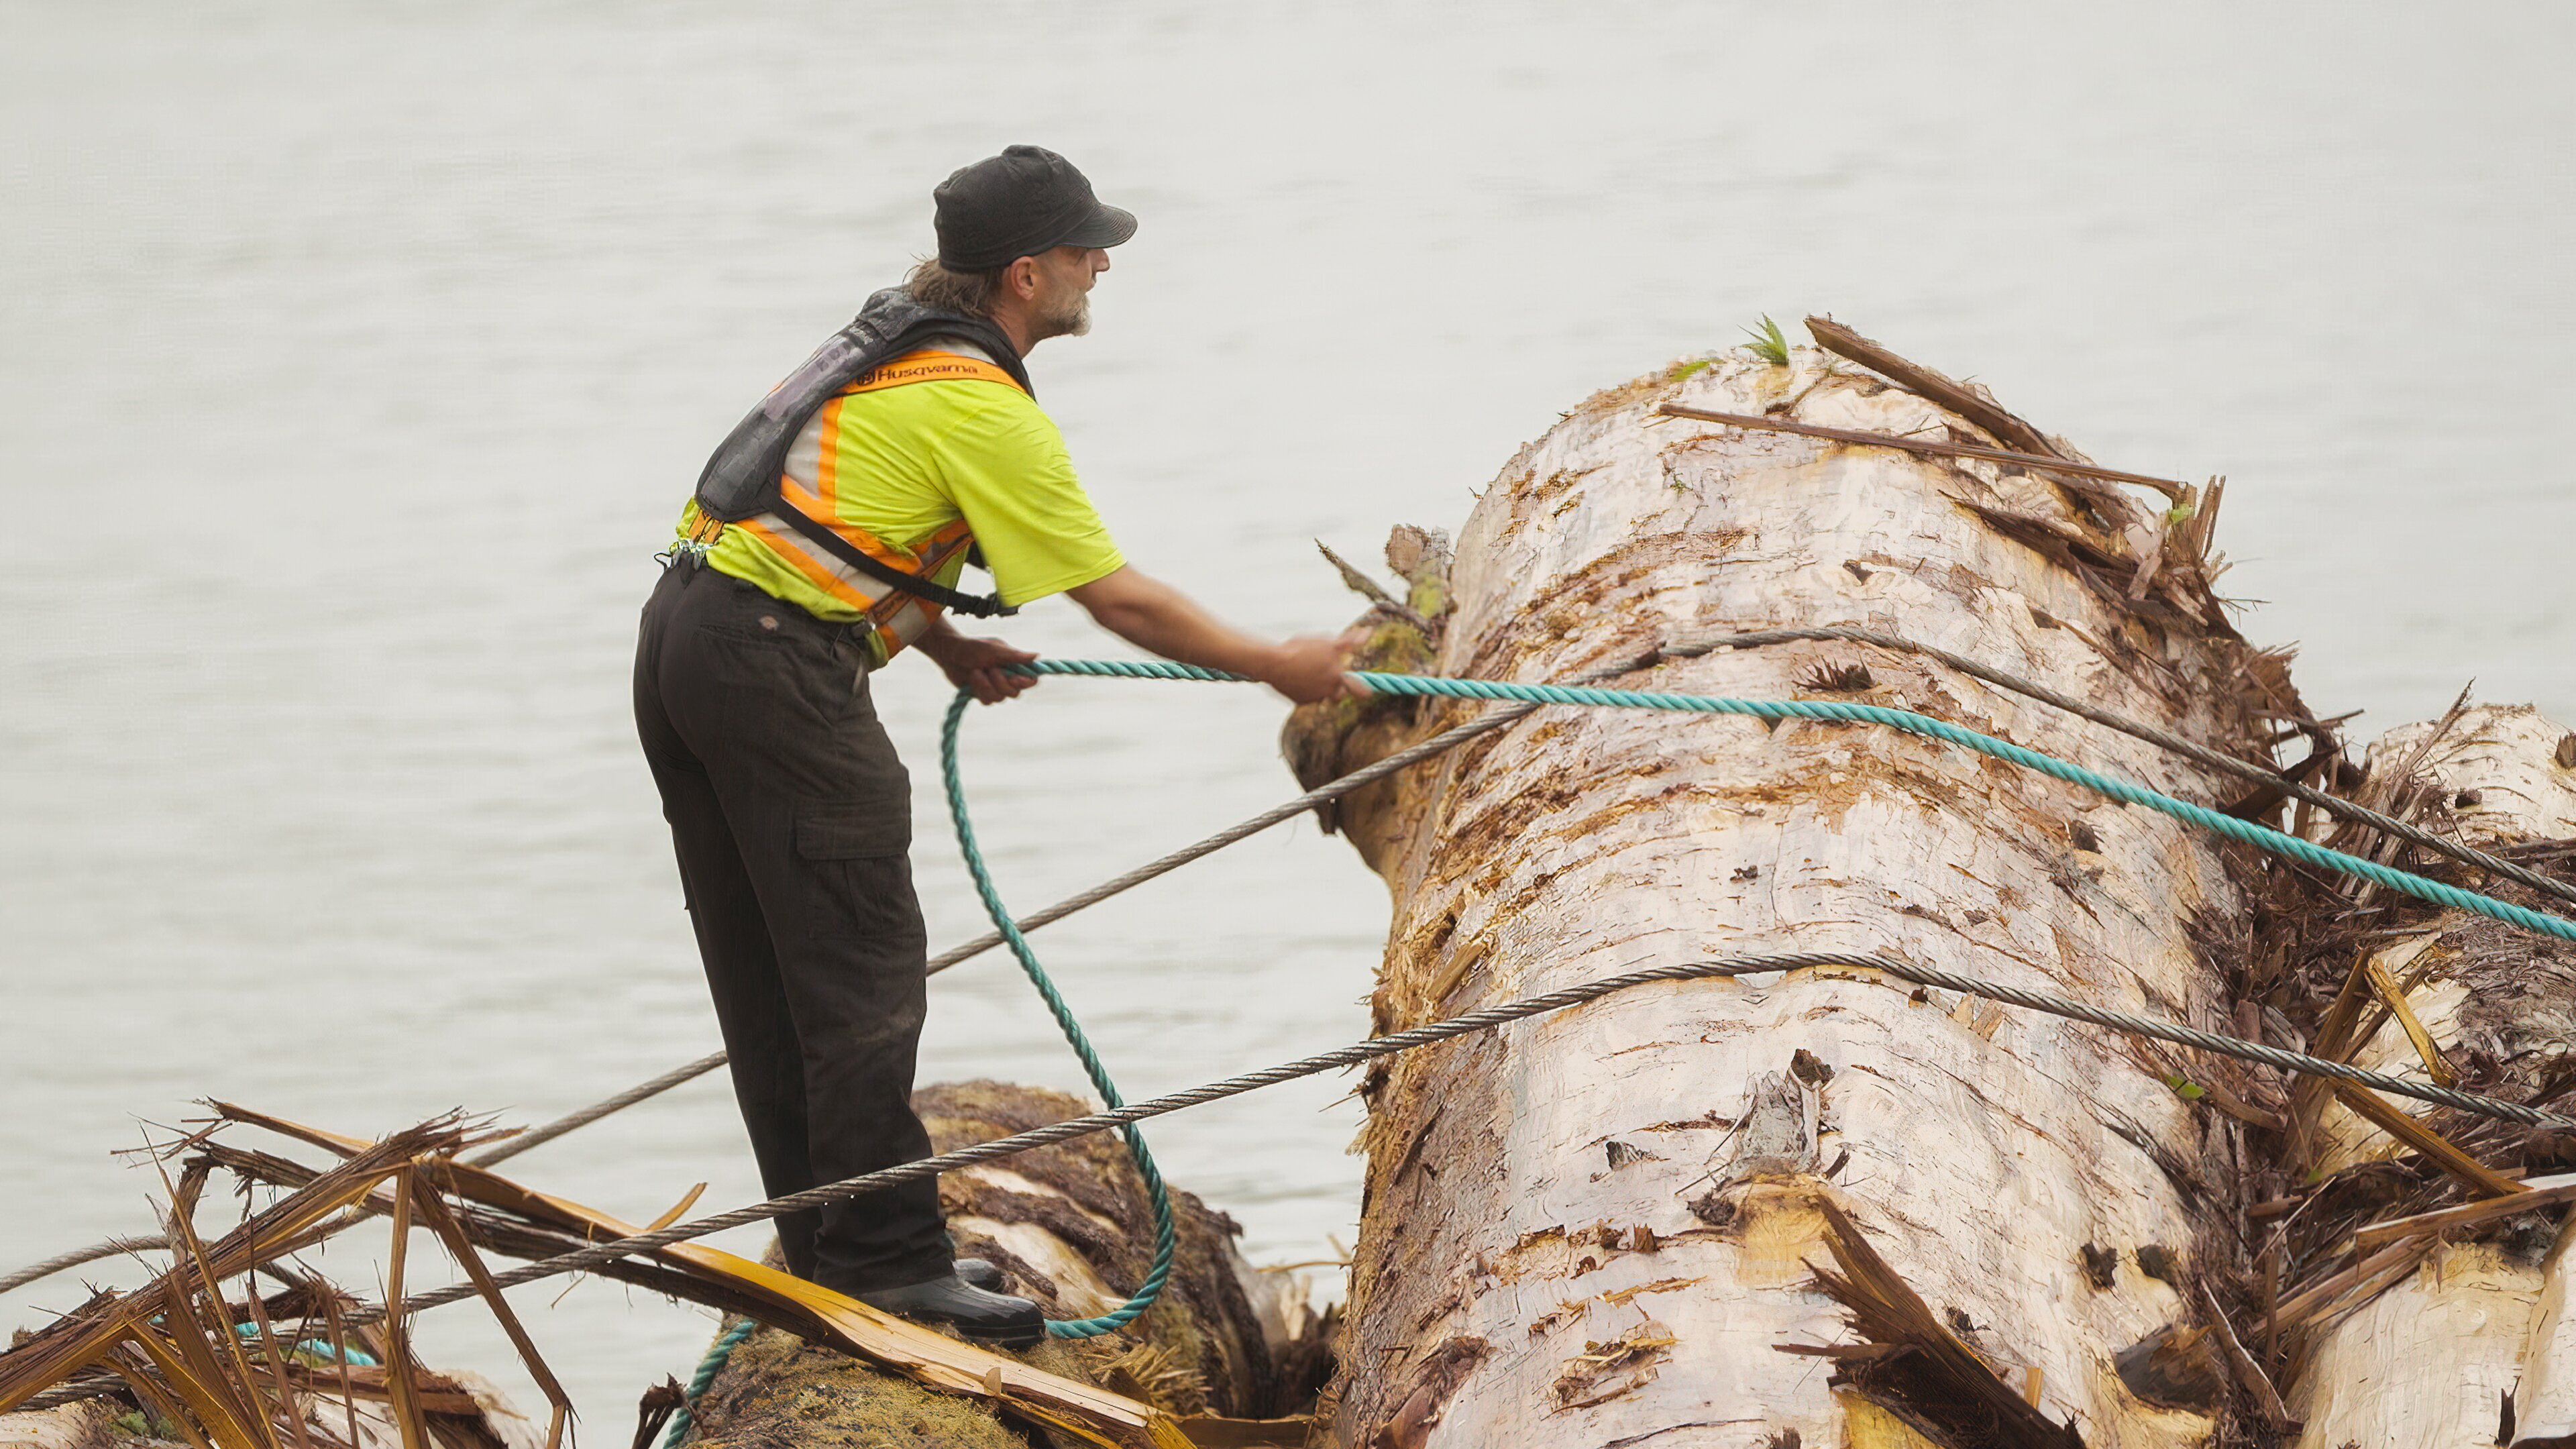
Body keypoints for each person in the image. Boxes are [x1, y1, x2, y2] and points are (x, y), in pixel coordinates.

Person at [631, 145, 1351, 1347]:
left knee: (770, 974)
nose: (1101, 267)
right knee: (861, 967)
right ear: (1025, 274)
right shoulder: (979, 402)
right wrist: (1279, 665)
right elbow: (1121, 602)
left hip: (685, 640)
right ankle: (890, 1267)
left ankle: (831, 1248)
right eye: (1084, 251)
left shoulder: (893, 351)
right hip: (772, 669)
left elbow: (836, 530)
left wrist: (946, 645)